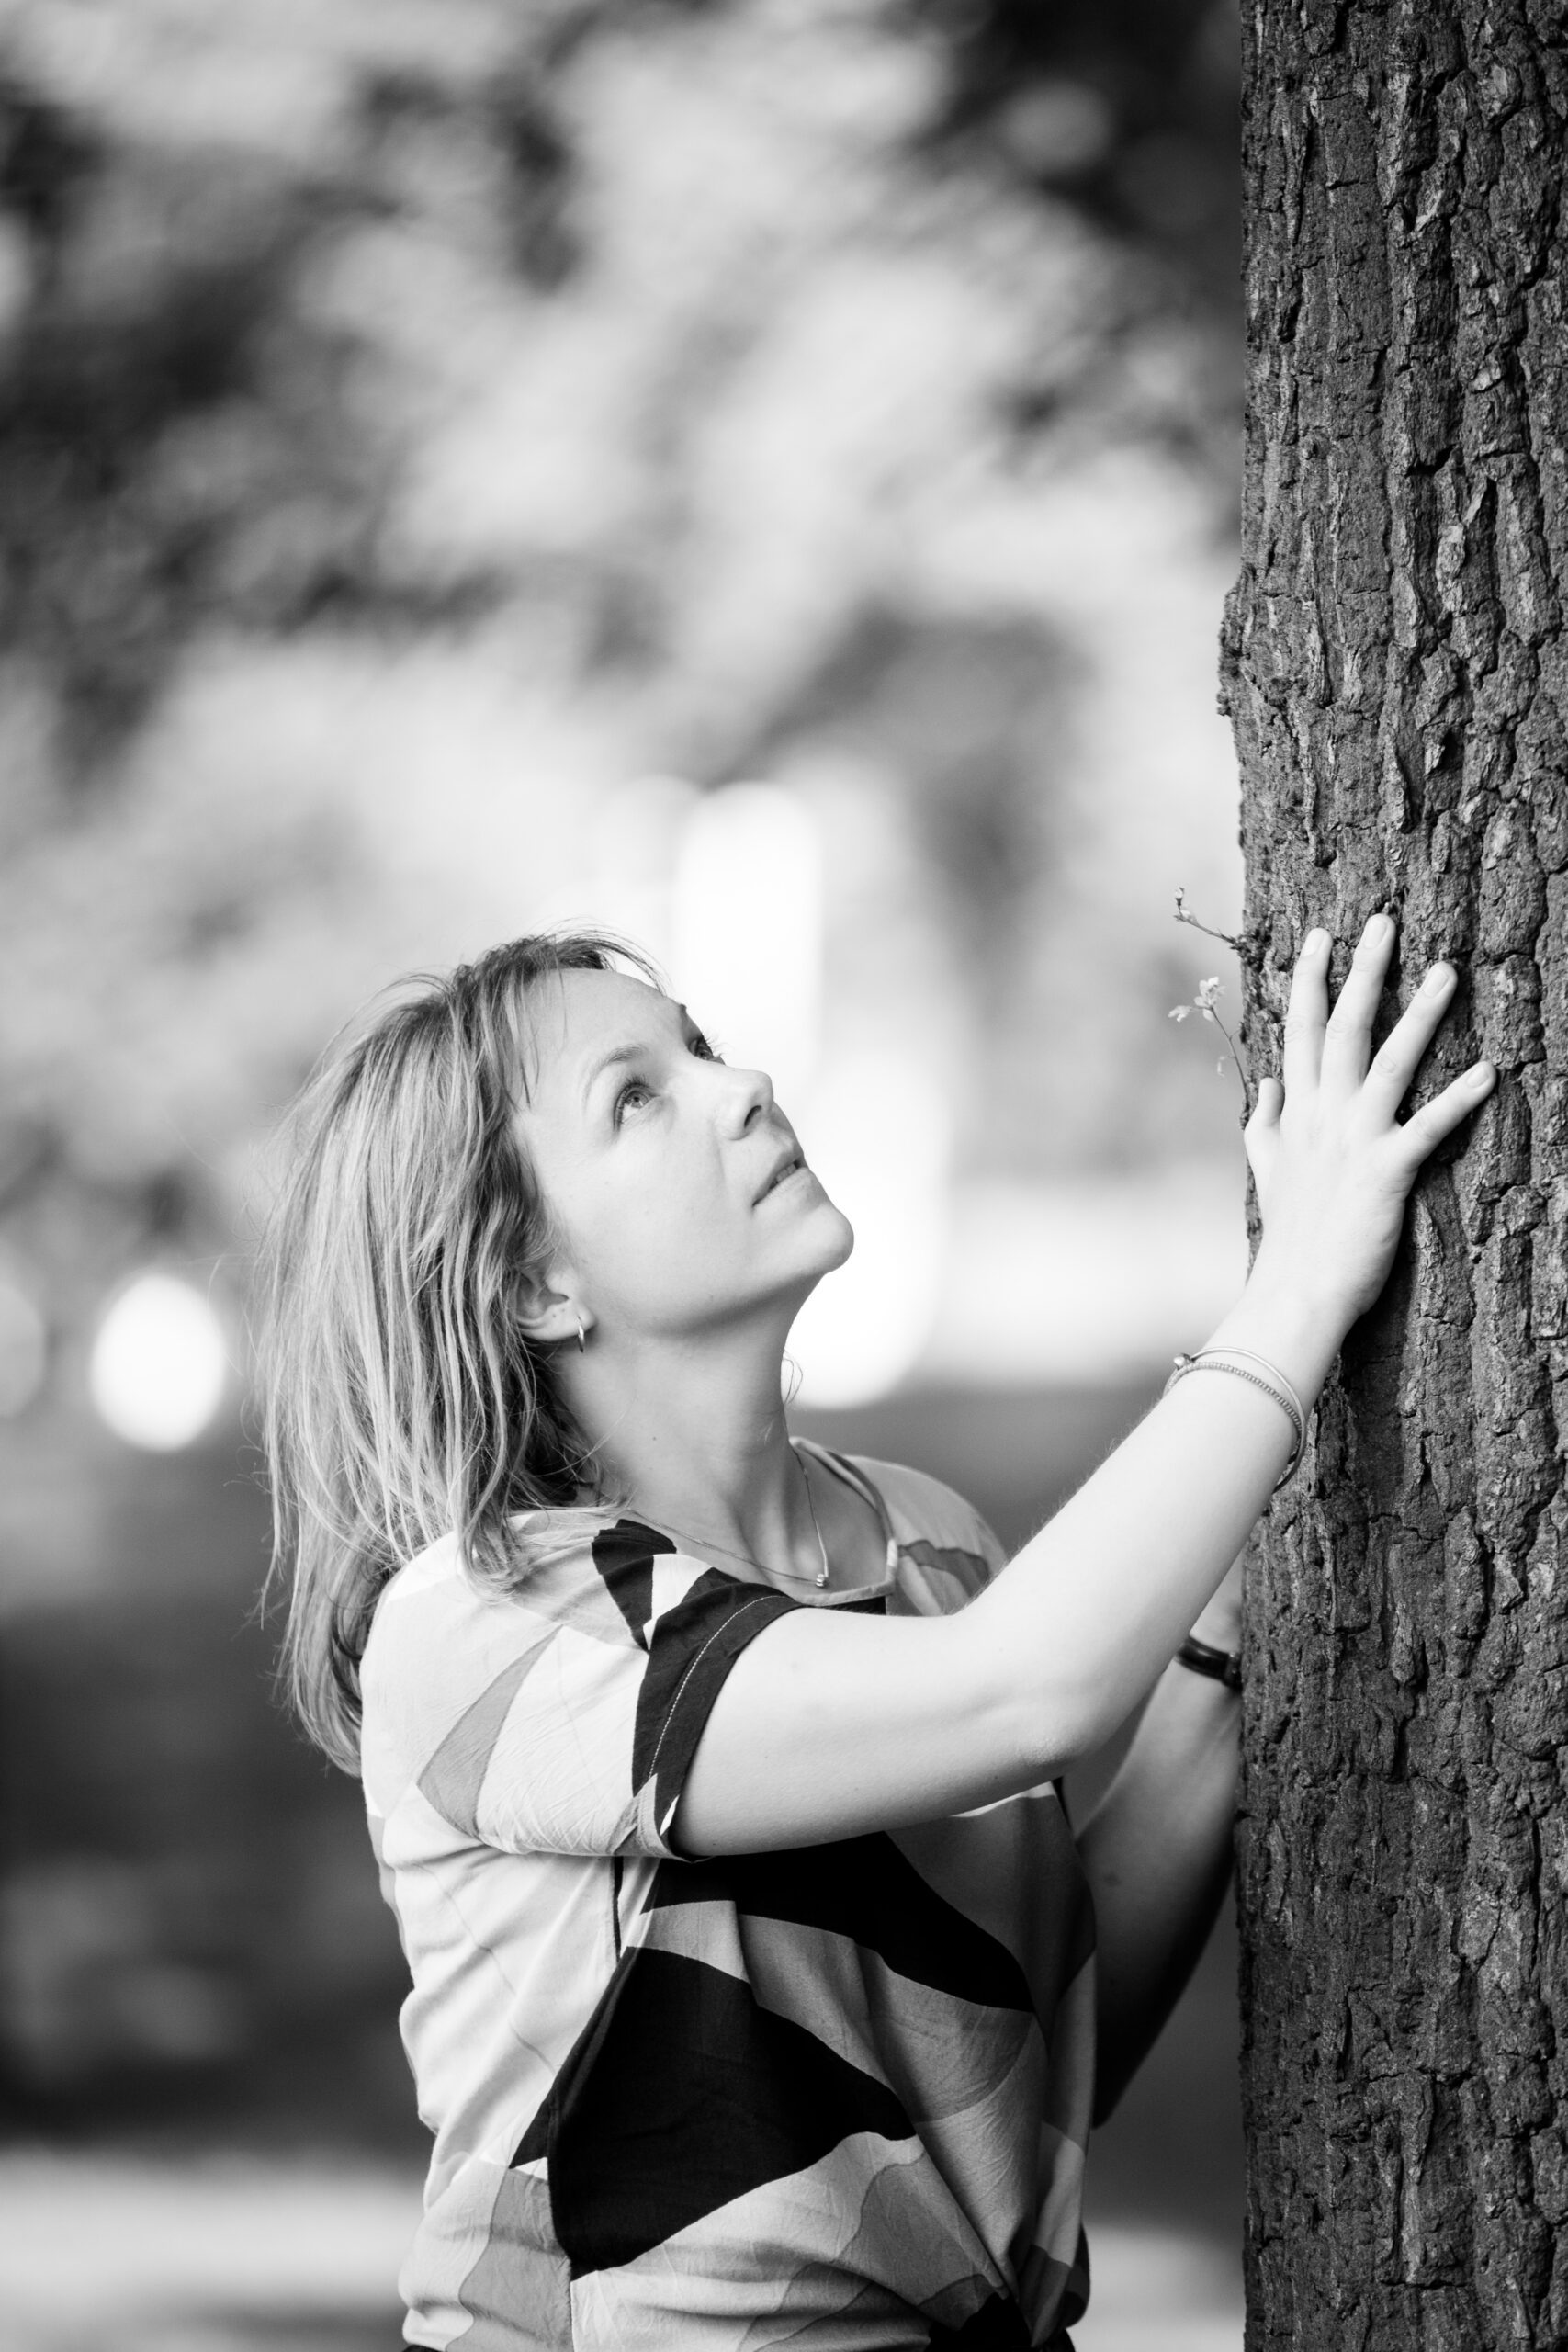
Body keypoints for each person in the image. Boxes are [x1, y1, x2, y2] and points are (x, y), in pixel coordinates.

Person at [259, 912, 1493, 2351]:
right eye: (636, 1097)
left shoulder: (926, 1541)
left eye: (702, 1049)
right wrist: (1297, 1288)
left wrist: (1228, 1637)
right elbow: (1027, 1691)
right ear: (534, 1284)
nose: (746, 1088)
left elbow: (1022, 2053)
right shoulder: (490, 1625)